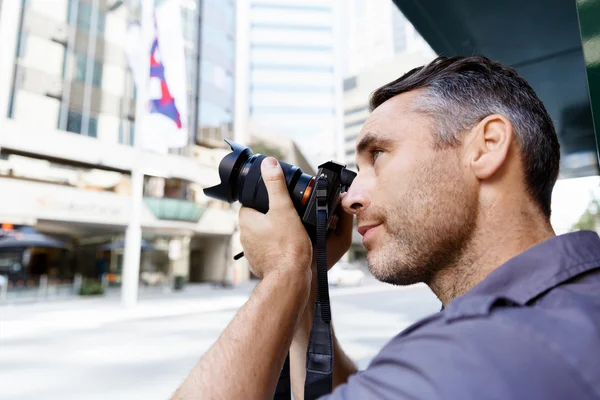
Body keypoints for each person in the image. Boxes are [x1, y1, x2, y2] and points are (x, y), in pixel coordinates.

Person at [170, 56, 600, 399]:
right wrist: (304, 281)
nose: (351, 197)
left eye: (377, 155)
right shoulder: (570, 304)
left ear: (486, 148)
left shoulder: (478, 353)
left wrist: (283, 271)